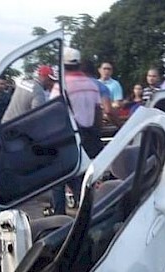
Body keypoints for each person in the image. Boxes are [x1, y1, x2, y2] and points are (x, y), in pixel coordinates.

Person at [49, 47, 101, 215]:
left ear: (63, 65)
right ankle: (89, 214)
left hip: (68, 141)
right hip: (89, 140)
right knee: (84, 180)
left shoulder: (60, 87)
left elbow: (52, 115)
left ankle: (59, 218)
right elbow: (98, 113)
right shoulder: (92, 85)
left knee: (59, 180)